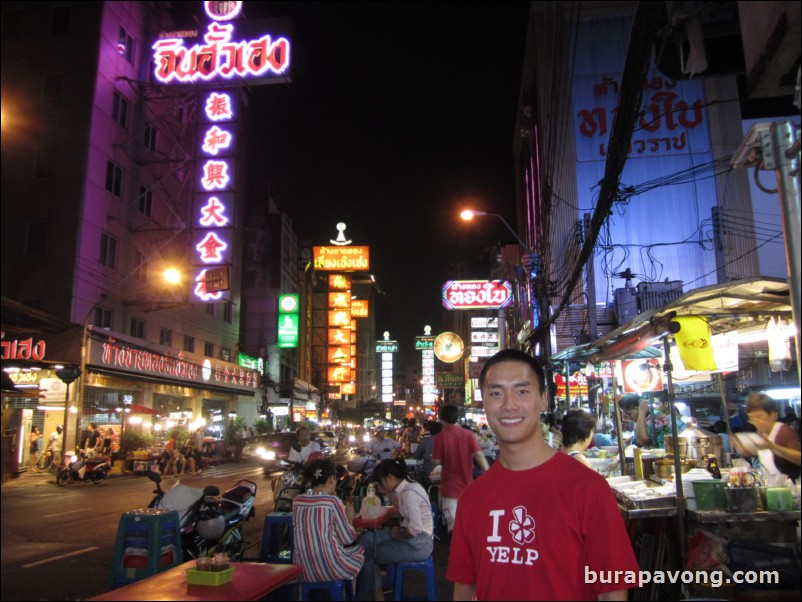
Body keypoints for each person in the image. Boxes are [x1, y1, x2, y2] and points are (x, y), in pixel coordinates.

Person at [447, 349, 638, 601]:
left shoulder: (588, 488)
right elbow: (464, 589)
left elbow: (612, 591)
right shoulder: (472, 498)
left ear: (543, 399)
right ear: (484, 402)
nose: (508, 404)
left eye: (522, 391)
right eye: (495, 393)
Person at [355, 459, 434, 601]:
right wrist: (387, 491)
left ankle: (369, 596)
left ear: (390, 477)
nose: (379, 486)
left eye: (381, 482)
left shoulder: (409, 493)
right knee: (365, 539)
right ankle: (373, 592)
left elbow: (415, 529)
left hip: (418, 544)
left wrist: (398, 535)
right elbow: (402, 509)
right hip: (415, 539)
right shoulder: (408, 488)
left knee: (368, 553)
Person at [293, 459, 364, 585]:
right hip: (331, 568)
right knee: (359, 552)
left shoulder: (297, 501)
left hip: (302, 571)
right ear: (331, 479)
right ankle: (350, 596)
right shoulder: (332, 502)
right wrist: (349, 517)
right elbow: (347, 539)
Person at [431, 405, 489, 533]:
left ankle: (459, 552)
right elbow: (479, 456)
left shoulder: (440, 437)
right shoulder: (468, 434)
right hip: (468, 488)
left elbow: (435, 461)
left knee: (456, 529)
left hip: (449, 489)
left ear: (442, 419)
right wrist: (489, 476)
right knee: (470, 525)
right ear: (457, 418)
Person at [734, 393, 800, 481]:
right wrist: (748, 450)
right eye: (752, 418)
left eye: (759, 416)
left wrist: (773, 446)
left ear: (772, 415)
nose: (756, 422)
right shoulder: (762, 434)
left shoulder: (783, 431)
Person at [619, 393, 685, 449]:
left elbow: (641, 440)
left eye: (629, 413)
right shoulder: (643, 419)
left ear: (639, 408)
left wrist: (642, 412)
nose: (629, 417)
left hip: (664, 457)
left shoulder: (655, 417)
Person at [411, 420, 442, 488]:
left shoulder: (425, 442)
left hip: (428, 477)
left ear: (430, 431)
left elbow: (416, 456)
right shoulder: (447, 442)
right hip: (445, 478)